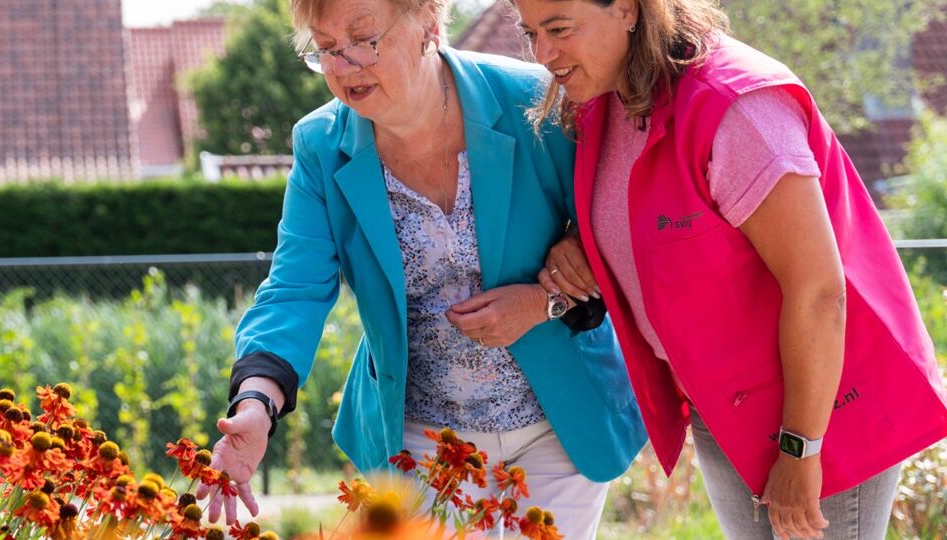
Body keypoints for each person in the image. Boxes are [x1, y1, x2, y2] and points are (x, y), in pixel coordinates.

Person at [195, 0, 648, 537]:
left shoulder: (538, 101)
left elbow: (622, 223)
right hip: (419, 442)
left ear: (429, 23)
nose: (343, 67)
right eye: (326, 49)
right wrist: (256, 404)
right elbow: (294, 288)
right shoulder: (321, 146)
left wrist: (541, 301)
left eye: (363, 40)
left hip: (559, 425)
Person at [511, 0, 947, 538]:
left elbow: (818, 291)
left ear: (626, 9)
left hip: (821, 409)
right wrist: (583, 243)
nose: (542, 53)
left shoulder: (736, 111)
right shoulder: (610, 100)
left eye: (558, 29)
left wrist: (801, 449)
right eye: (531, 32)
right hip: (725, 406)